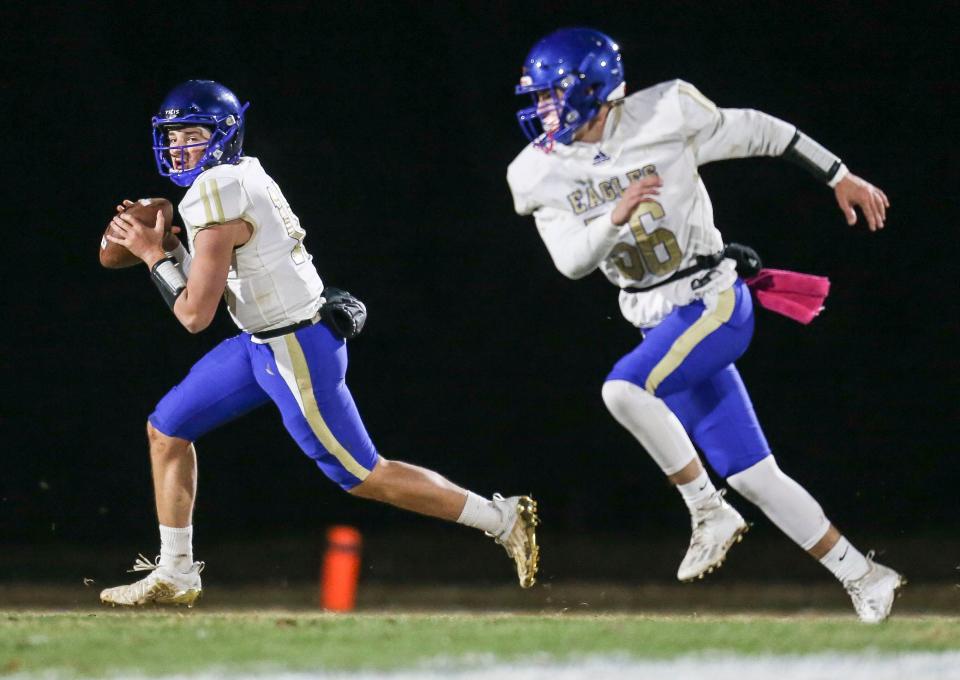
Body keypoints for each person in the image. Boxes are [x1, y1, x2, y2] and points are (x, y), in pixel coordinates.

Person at [506, 28, 902, 623]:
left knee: (623, 389)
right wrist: (615, 216)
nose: (542, 110)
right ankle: (865, 576)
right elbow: (571, 261)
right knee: (754, 475)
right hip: (655, 321)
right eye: (537, 99)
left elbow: (766, 131)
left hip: (711, 302)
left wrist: (837, 173)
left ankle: (706, 509)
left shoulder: (665, 115)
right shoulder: (537, 173)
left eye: (551, 96)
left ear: (592, 90)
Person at [100, 80, 539, 606]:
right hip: (260, 343)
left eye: (192, 135)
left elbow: (195, 313)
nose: (178, 149)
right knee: (167, 429)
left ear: (222, 137)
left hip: (294, 348)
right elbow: (227, 276)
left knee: (363, 474)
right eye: (172, 137)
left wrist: (154, 256)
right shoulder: (235, 178)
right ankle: (176, 572)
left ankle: (502, 517)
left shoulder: (215, 190)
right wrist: (170, 246)